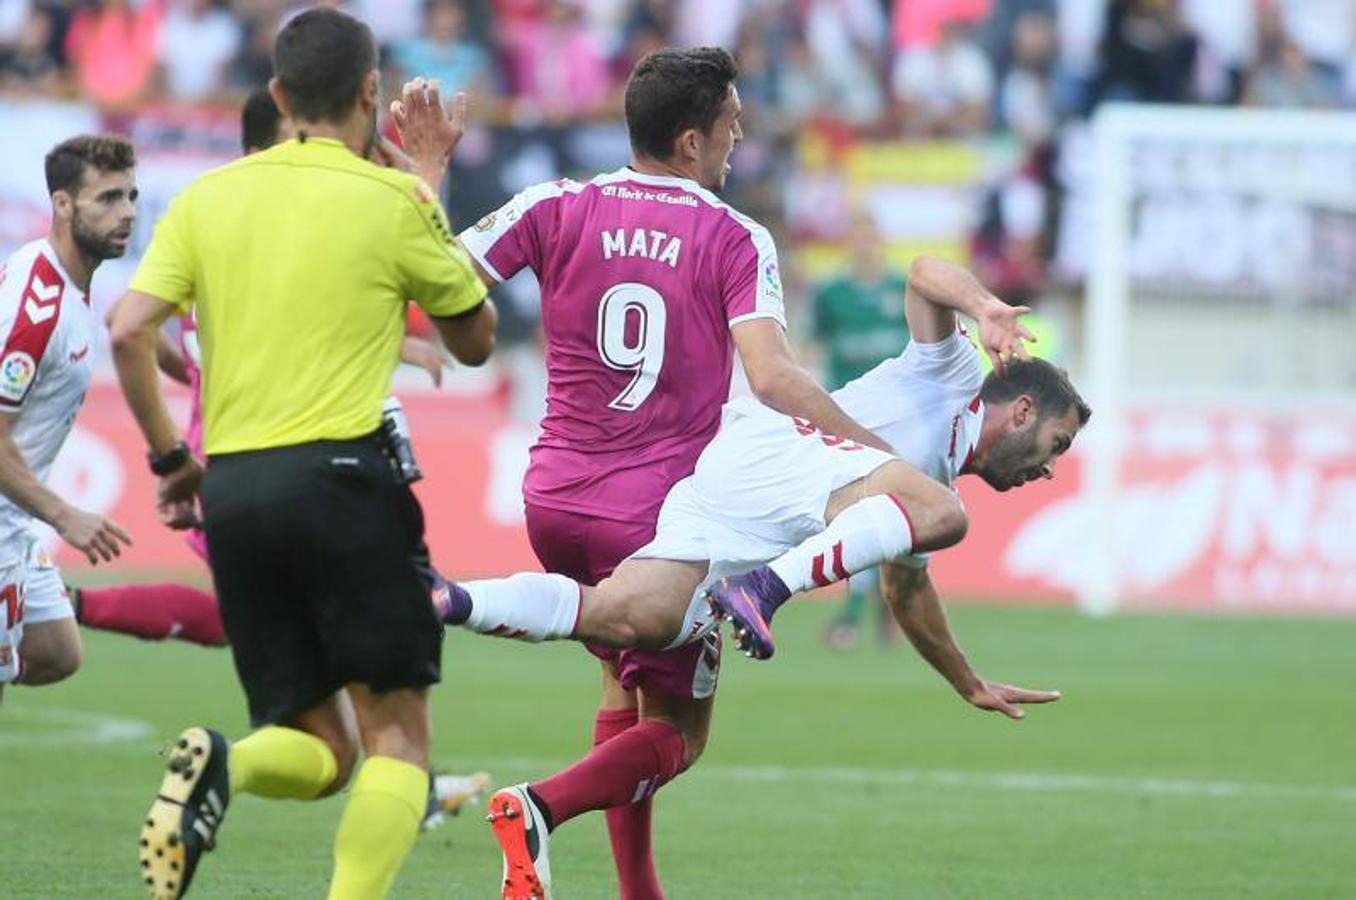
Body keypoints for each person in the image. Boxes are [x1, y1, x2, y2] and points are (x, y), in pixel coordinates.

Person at [395, 47, 921, 900]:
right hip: (665, 521)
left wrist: (427, 168)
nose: (738, 137)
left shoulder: (556, 203)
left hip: (554, 498)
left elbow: (436, 280)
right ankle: (538, 805)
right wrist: (878, 460)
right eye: (729, 125)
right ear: (688, 142)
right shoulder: (734, 234)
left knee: (618, 677)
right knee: (680, 734)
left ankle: (640, 891)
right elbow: (774, 377)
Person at [439, 255, 1085, 891]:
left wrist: (967, 682)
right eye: (1056, 445)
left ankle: (451, 600)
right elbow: (922, 275)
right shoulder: (952, 374)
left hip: (730, 499)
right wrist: (986, 308)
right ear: (1022, 411)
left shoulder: (917, 496)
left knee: (632, 641)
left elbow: (906, 590)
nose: (1049, 469)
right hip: (777, 460)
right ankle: (767, 589)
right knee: (946, 513)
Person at [108, 9, 495, 899]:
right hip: (347, 483)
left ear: (278, 95)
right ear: (372, 92)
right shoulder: (391, 199)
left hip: (236, 494)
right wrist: (427, 181)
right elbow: (473, 339)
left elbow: (130, 329)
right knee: (397, 740)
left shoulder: (209, 197)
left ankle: (222, 768)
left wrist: (173, 464)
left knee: (322, 748)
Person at [0, 134, 137, 701]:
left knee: (56, 649)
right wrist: (65, 516)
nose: (127, 212)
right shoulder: (38, 309)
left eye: (131, 196)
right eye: (107, 198)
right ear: (63, 204)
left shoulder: (66, 283)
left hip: (16, 517)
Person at [810, 210, 910, 650]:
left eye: (872, 236)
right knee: (862, 515)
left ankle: (874, 610)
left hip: (898, 420)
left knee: (896, 514)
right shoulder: (831, 293)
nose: (866, 245)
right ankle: (869, 609)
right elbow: (814, 347)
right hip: (847, 419)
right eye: (859, 237)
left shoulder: (902, 290)